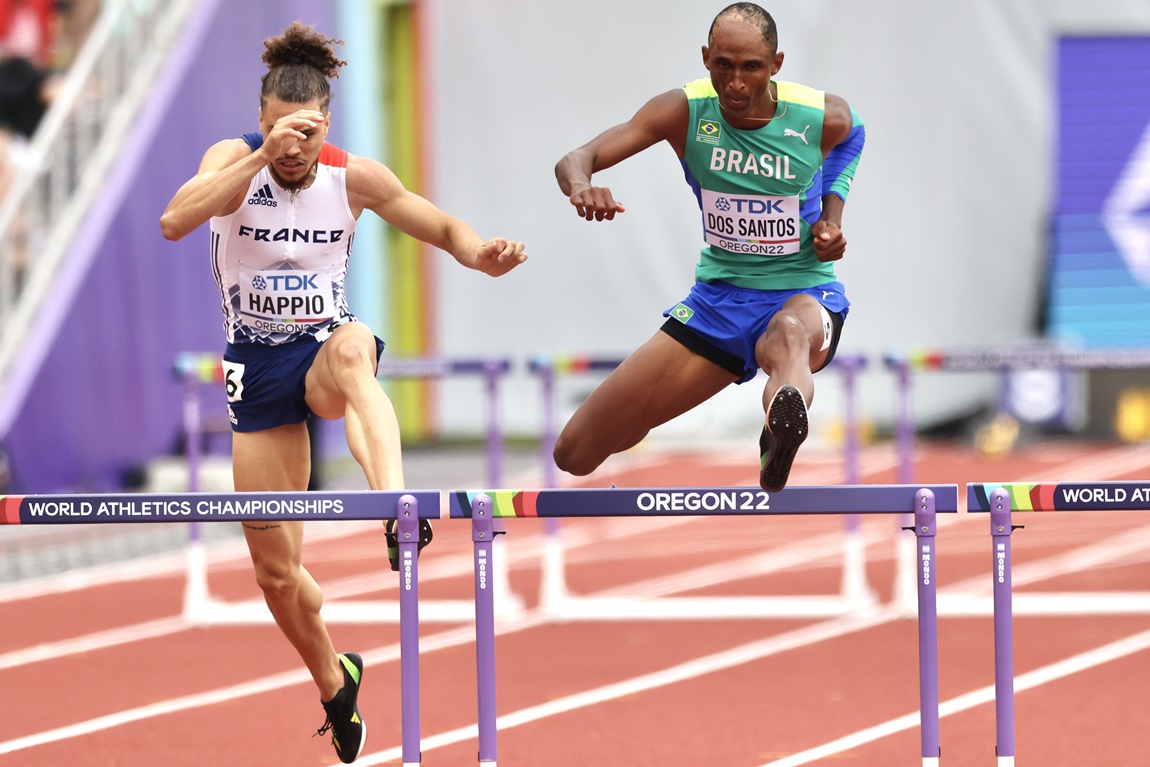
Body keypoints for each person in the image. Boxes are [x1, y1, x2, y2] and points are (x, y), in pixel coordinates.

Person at [159, 22, 526, 764]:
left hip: (322, 349)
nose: (292, 149)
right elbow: (175, 220)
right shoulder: (238, 159)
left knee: (357, 350)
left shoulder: (351, 175)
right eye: (278, 132)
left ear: (326, 123)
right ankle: (334, 677)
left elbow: (441, 222)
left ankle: (398, 511)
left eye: (305, 134)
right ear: (262, 121)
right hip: (254, 368)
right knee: (277, 573)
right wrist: (259, 155)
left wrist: (479, 254)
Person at [553, 2, 863, 492]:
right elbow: (578, 157)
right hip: (718, 302)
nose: (736, 83)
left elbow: (852, 137)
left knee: (787, 334)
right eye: (724, 65)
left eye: (751, 68)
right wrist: (580, 186)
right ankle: (640, 420)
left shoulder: (820, 116)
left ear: (776, 65)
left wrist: (831, 218)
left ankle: (779, 433)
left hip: (803, 294)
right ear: (706, 58)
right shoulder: (684, 111)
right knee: (575, 453)